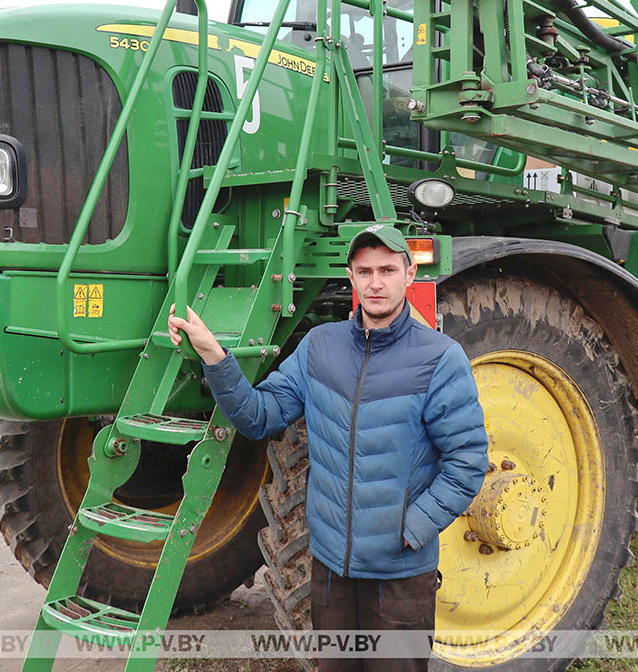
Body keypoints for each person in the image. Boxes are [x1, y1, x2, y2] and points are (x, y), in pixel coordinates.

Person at [168, 224, 489, 672]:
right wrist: (214, 357)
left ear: (409, 273)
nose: (376, 282)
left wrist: (411, 529)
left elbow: (468, 462)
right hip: (331, 571)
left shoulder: (439, 358)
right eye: (365, 271)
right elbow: (258, 415)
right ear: (351, 277)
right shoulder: (320, 347)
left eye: (387, 270)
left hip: (398, 577)